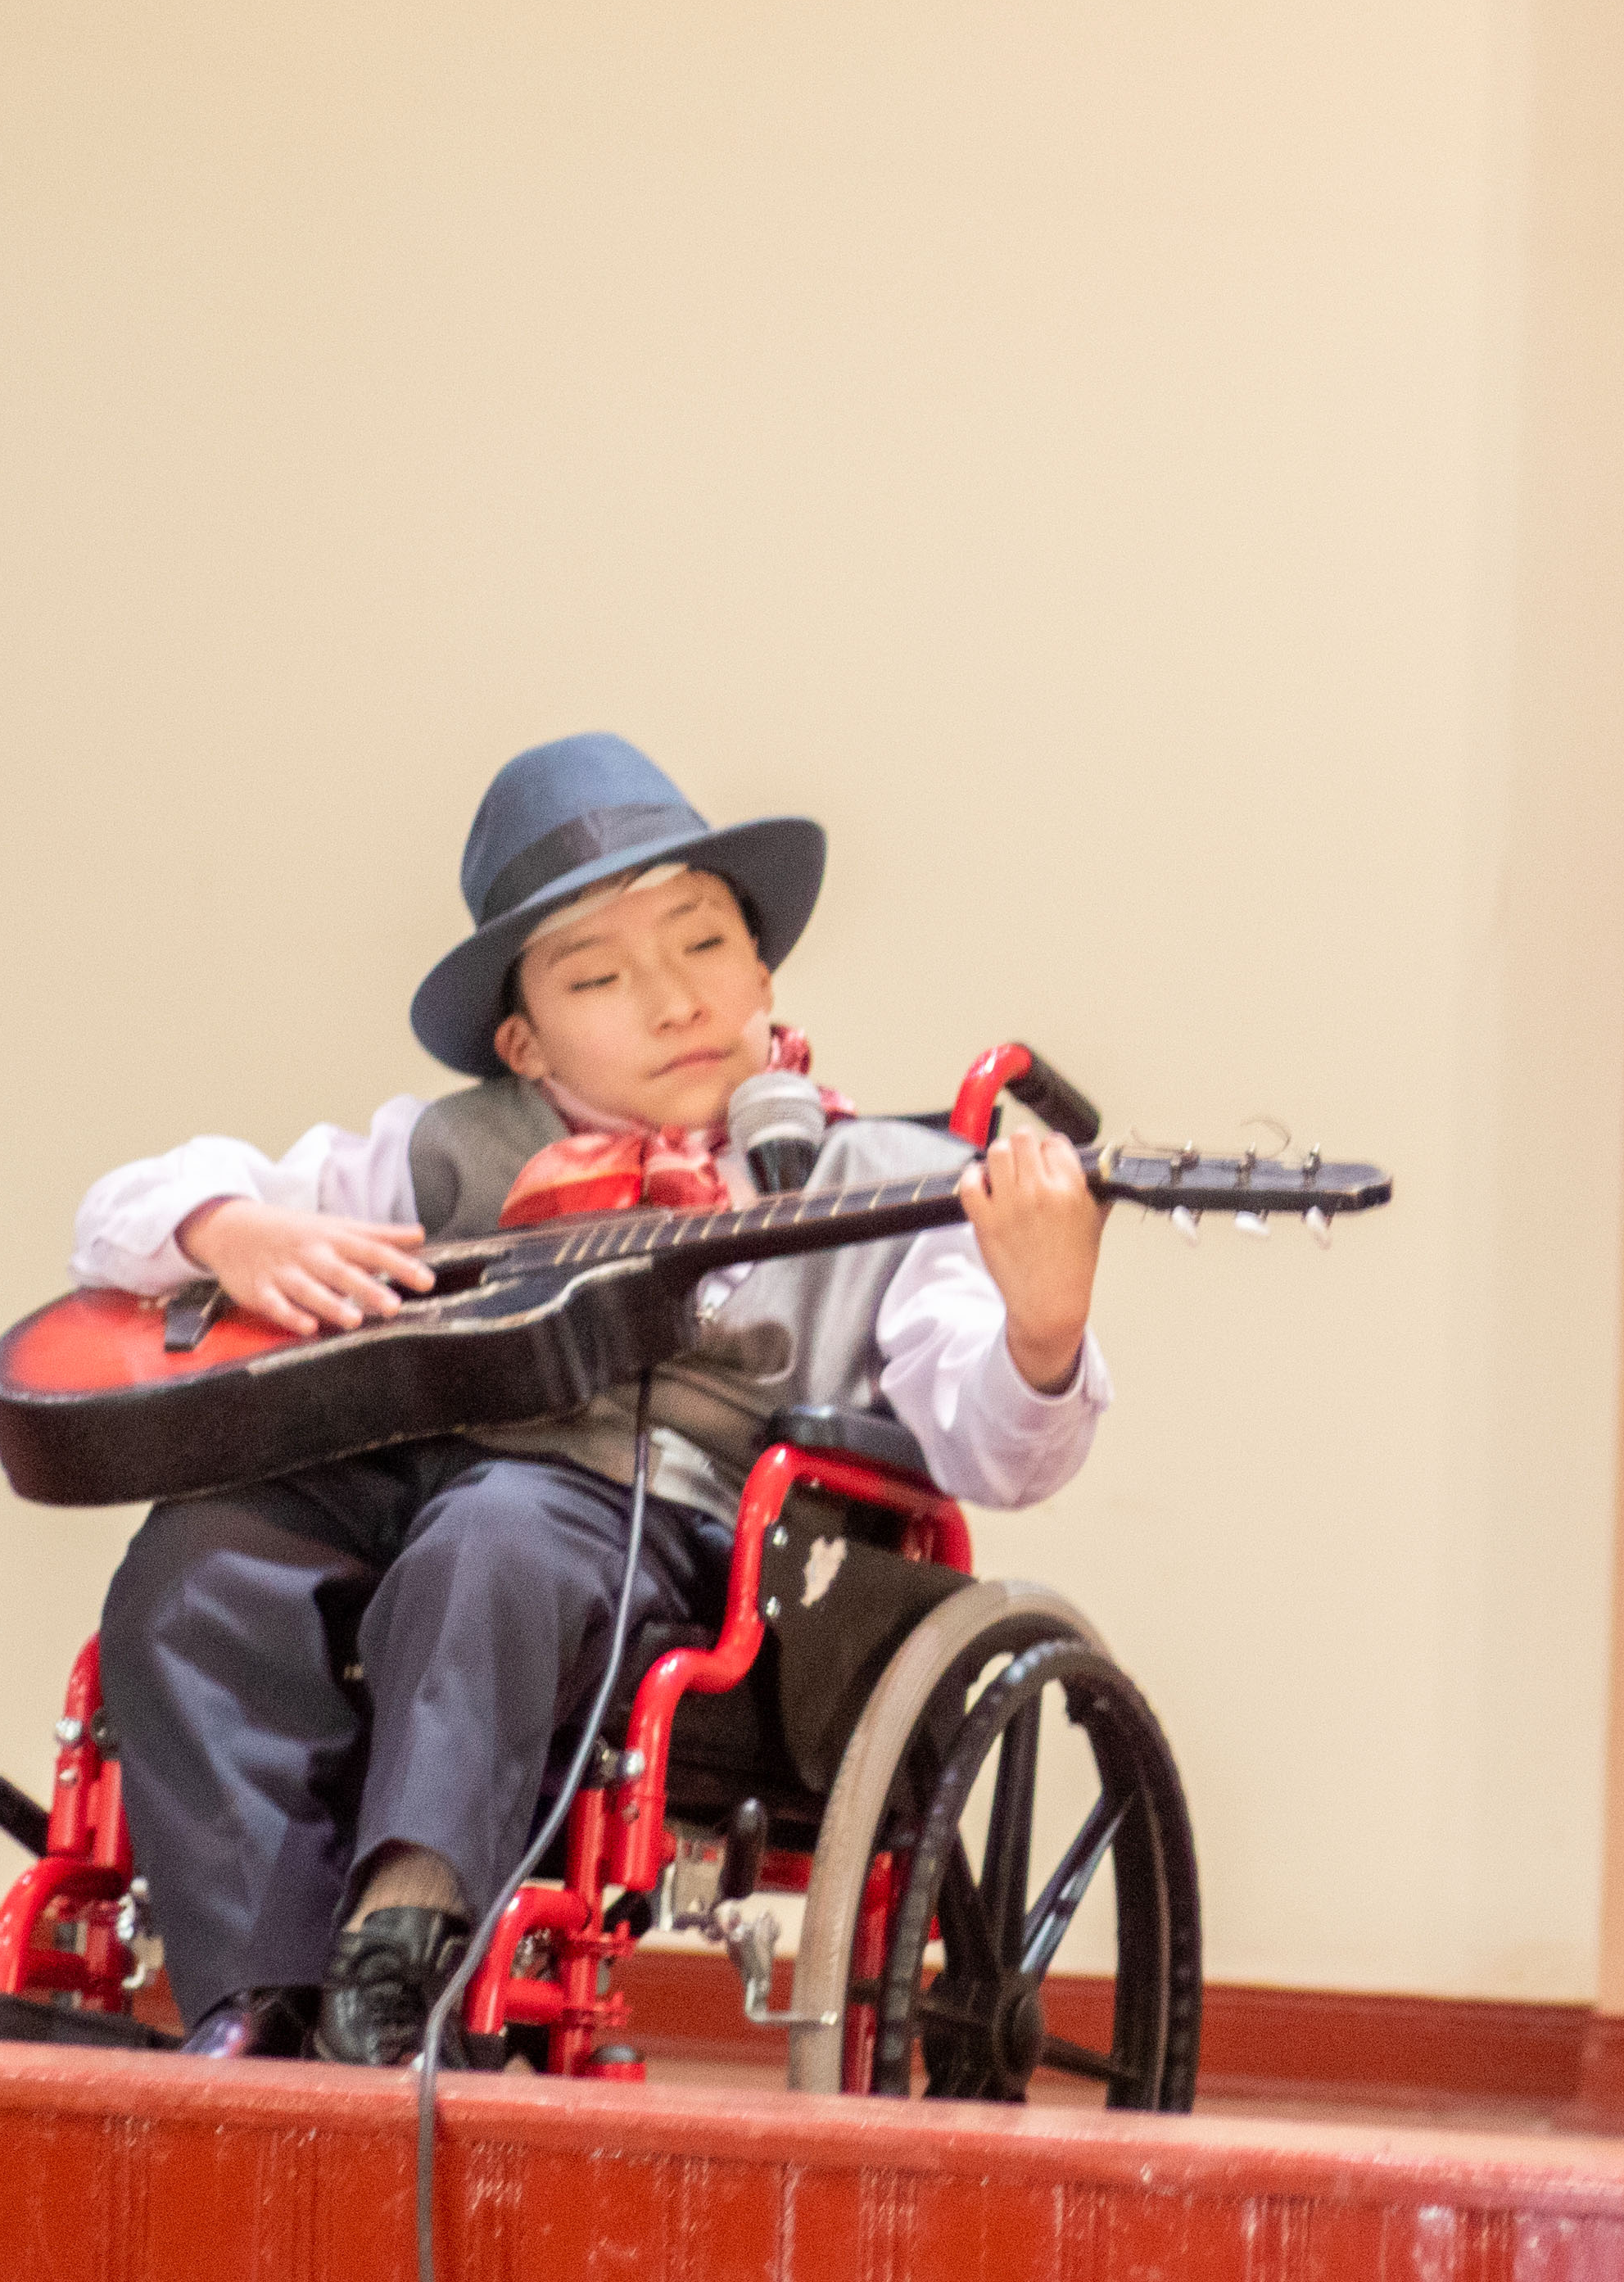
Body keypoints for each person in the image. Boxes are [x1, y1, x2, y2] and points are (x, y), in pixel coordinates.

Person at [70, 731, 1113, 2065]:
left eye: (702, 945)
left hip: (686, 1553)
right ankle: (257, 2001)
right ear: (522, 1037)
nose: (674, 1000)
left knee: (495, 1535)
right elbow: (117, 1213)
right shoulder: (444, 1150)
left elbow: (992, 1441)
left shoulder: (885, 1181)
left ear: (762, 966)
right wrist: (226, 1226)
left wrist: (1043, 1318)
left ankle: (409, 1930)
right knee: (199, 1554)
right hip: (431, 1495)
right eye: (601, 975)